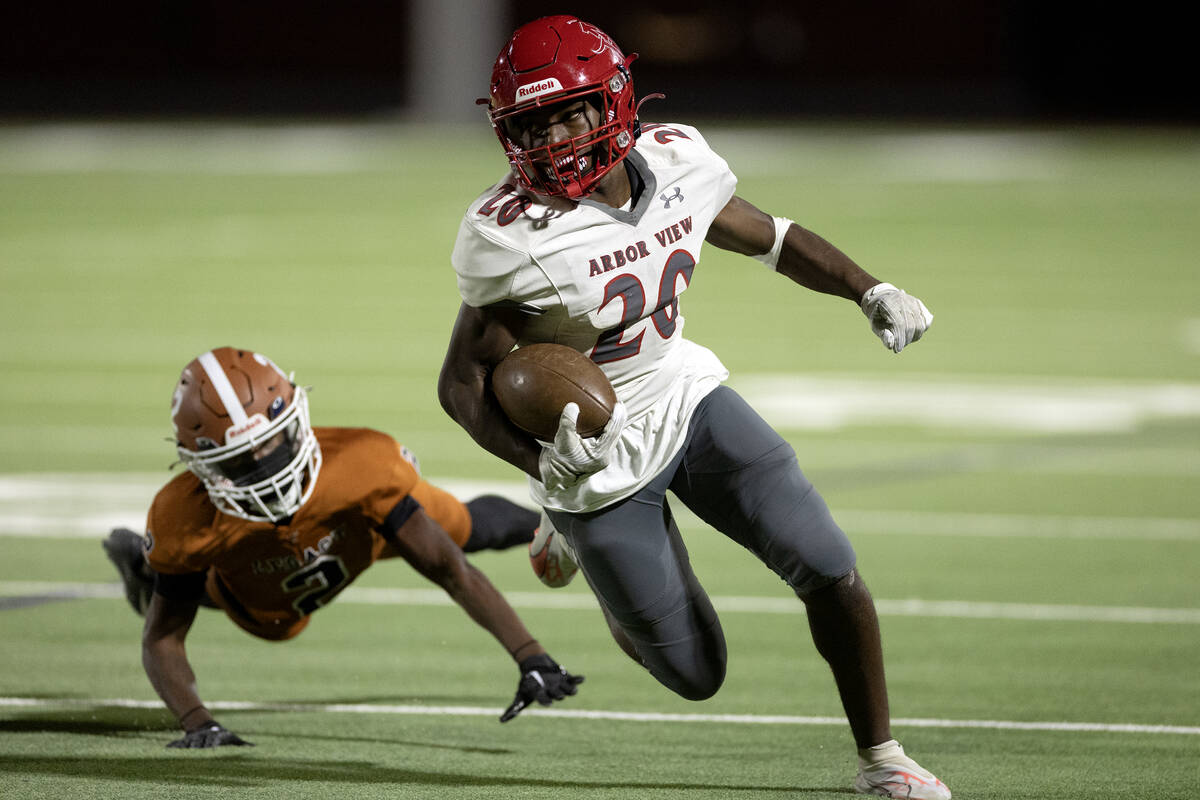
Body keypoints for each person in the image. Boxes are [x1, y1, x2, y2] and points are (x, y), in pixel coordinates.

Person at [437, 15, 949, 799]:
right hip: (596, 455)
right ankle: (568, 528)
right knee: (696, 673)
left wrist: (867, 288)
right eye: (531, 125)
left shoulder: (679, 161)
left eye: (567, 114)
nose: (550, 141)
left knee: (827, 562)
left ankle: (883, 760)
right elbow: (461, 383)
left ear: (613, 101)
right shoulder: (513, 237)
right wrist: (543, 463)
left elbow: (772, 237)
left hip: (683, 393)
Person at [103, 346, 582, 748]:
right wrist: (198, 723)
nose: (268, 470)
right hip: (257, 578)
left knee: (460, 525)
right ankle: (147, 572)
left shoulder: (359, 466)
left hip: (359, 530)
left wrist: (531, 656)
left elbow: (451, 570)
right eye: (241, 461)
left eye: (272, 443)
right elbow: (162, 638)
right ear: (203, 465)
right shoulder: (184, 517)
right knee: (259, 612)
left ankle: (561, 522)